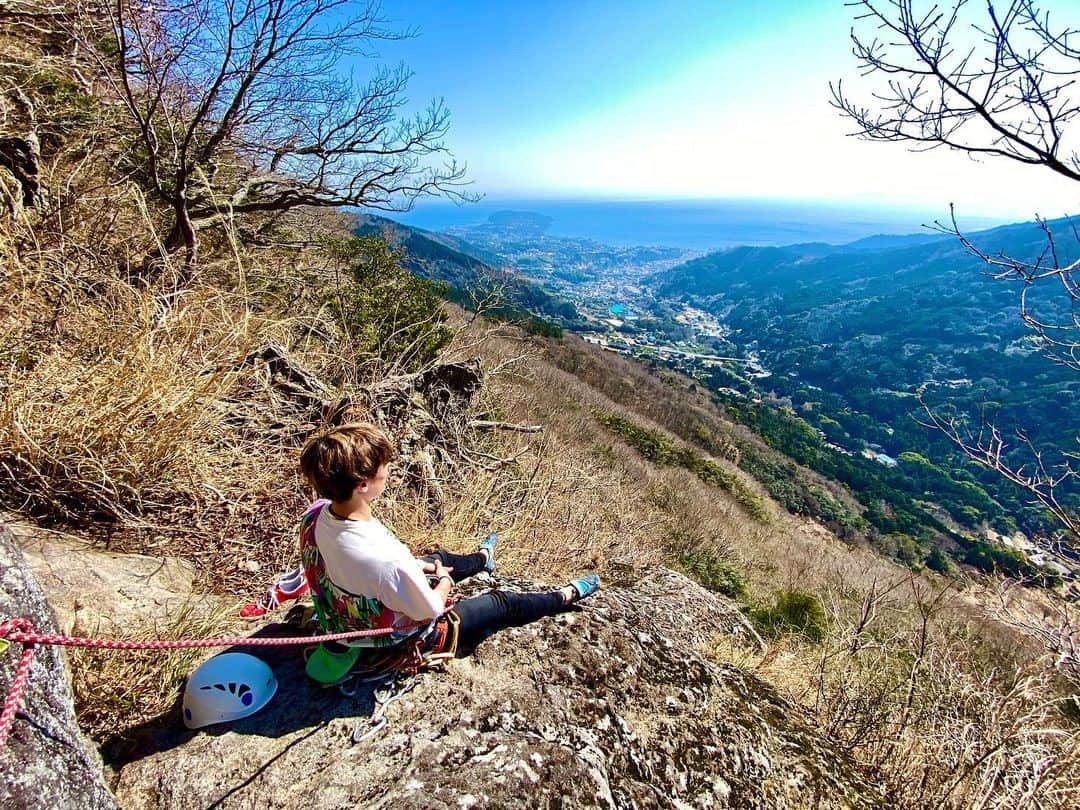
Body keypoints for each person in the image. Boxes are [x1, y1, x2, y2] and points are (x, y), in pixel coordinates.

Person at [295, 422, 600, 667]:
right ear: (362, 484)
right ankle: (564, 595)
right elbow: (429, 610)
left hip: (346, 610)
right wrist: (442, 580)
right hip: (385, 635)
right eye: (382, 466)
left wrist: (420, 567)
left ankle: (482, 559)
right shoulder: (387, 559)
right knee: (501, 602)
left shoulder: (317, 515)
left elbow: (362, 565)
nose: (387, 471)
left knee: (436, 557)